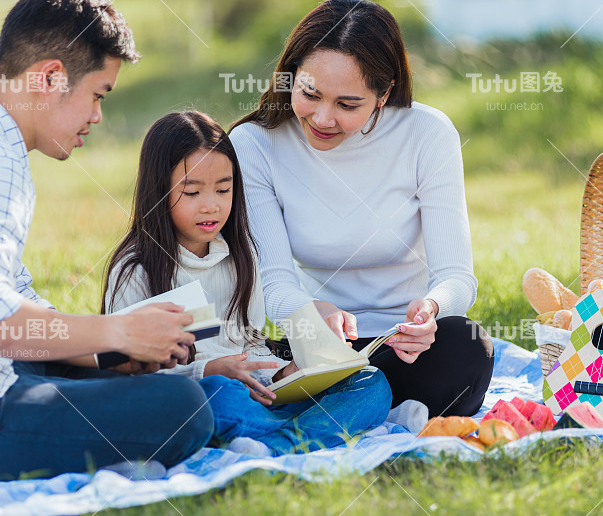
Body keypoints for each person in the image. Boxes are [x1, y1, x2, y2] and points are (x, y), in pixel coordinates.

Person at [0, 0, 213, 484]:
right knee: (183, 406)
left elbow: (10, 299)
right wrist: (118, 331)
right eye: (97, 95)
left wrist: (106, 354)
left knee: (97, 365)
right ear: (49, 78)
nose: (97, 116)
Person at [229, 0, 494, 418]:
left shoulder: (428, 134)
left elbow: (456, 277)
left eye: (347, 105)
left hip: (404, 347)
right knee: (236, 363)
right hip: (312, 343)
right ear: (290, 76)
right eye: (309, 94)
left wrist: (432, 311)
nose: (321, 117)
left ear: (383, 92)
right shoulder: (255, 144)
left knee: (468, 346)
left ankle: (341, 401)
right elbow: (274, 281)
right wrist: (309, 318)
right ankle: (367, 403)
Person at [102, 111, 391, 456]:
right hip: (195, 400)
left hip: (258, 400)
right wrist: (208, 369)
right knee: (220, 394)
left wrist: (285, 374)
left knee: (371, 383)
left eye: (223, 189)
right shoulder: (135, 270)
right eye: (192, 192)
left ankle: (276, 442)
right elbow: (128, 376)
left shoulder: (241, 257)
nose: (211, 206)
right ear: (158, 189)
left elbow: (252, 344)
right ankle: (299, 439)